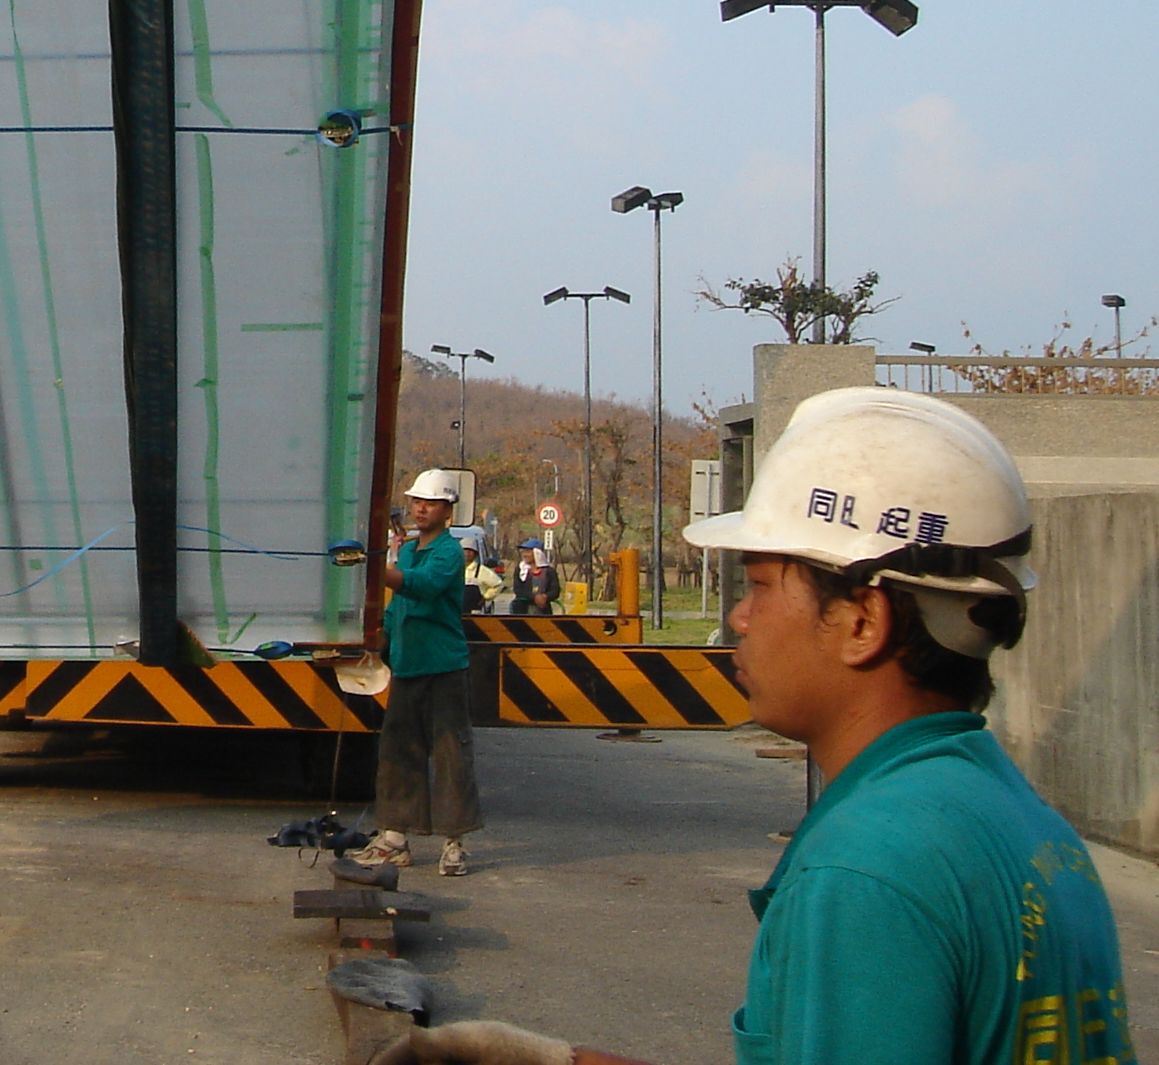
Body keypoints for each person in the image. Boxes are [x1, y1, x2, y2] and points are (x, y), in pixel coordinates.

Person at [373, 387, 1134, 1065]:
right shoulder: (1014, 820)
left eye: (763, 585)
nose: (739, 616)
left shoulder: (867, 873)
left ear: (862, 622)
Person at [353, 467, 481, 878]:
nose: (421, 509)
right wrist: (376, 645)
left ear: (448, 511)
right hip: (408, 666)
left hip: (443, 667)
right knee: (398, 754)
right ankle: (394, 839)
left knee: (450, 754)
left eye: (431, 503)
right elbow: (398, 609)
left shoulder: (449, 553)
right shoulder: (407, 552)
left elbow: (421, 586)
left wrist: (374, 570)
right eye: (417, 502)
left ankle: (454, 843)